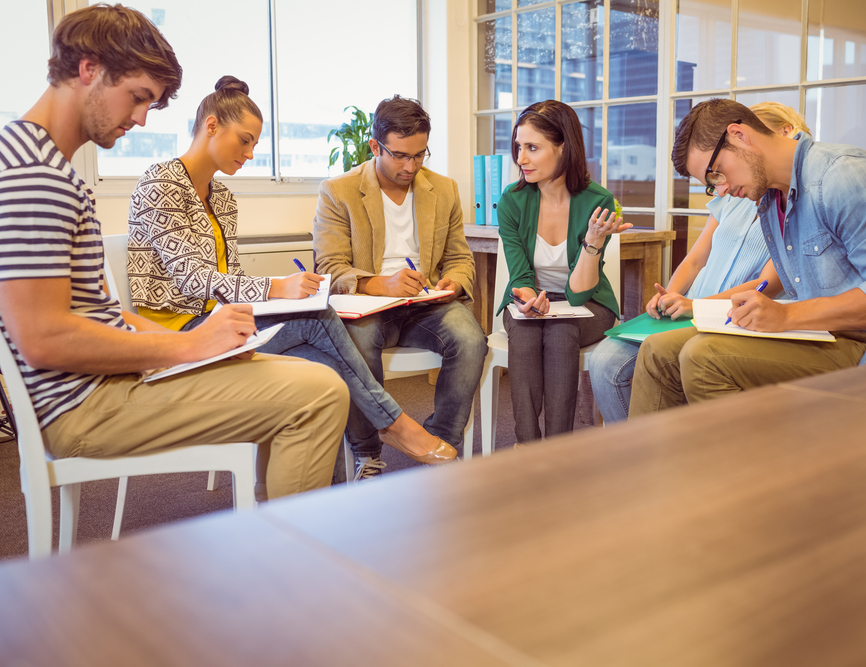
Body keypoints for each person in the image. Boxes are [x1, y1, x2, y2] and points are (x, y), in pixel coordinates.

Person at [0, 4, 350, 500]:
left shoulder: (40, 163)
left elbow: (101, 313)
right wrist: (188, 346)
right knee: (319, 395)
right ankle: (288, 565)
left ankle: (283, 538)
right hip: (86, 402)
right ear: (89, 68)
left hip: (102, 382)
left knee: (313, 376)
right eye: (138, 98)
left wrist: (201, 344)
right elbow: (43, 338)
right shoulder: (37, 178)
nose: (141, 119)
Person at [128, 79, 456, 485]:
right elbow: (194, 280)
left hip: (222, 322)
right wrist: (276, 288)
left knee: (327, 376)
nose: (250, 154)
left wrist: (284, 287)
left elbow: (228, 278)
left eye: (254, 145)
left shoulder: (222, 197)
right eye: (244, 141)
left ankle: (330, 502)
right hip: (177, 334)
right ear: (211, 126)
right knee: (315, 318)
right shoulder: (161, 183)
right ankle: (393, 423)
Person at [628, 98, 866, 417]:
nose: (720, 191)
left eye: (716, 174)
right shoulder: (771, 198)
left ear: (739, 135)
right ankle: (658, 466)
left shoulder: (845, 174)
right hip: (819, 333)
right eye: (711, 186)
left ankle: (760, 466)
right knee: (658, 350)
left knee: (703, 356)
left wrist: (787, 317)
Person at [589, 102, 808, 423]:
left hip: (723, 313)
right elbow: (694, 260)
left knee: (624, 364)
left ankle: (651, 452)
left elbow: (769, 284)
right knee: (605, 358)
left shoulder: (787, 203)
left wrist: (696, 305)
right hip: (691, 308)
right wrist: (669, 297)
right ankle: (635, 453)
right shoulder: (729, 198)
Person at [313, 95, 487, 474]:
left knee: (472, 339)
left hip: (427, 304)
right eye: (400, 156)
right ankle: (368, 452)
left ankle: (440, 444)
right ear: (375, 146)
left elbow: (459, 256)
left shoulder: (443, 189)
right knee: (355, 343)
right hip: (369, 305)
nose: (411, 166)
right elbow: (329, 267)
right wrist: (379, 284)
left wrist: (454, 284)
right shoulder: (338, 191)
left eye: (420, 155)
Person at [495, 100, 631, 443]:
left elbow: (579, 294)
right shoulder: (512, 200)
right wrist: (526, 300)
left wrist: (593, 242)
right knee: (526, 333)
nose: (521, 158)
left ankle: (557, 448)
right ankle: (527, 444)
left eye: (532, 148)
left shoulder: (597, 201)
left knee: (560, 331)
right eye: (518, 147)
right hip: (529, 301)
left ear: (563, 147)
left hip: (589, 305)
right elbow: (520, 275)